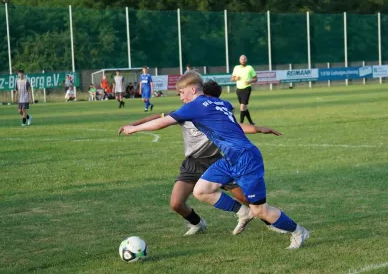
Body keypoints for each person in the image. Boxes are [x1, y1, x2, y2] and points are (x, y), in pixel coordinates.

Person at [122, 71, 309, 249]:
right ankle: (244, 213)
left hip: (246, 159)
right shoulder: (221, 104)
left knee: (261, 210)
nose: (181, 98)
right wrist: (259, 128)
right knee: (201, 191)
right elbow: (230, 121)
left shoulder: (195, 106)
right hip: (229, 158)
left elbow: (162, 122)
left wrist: (134, 128)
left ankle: (299, 231)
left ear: (193, 90)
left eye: (182, 93)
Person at [231, 55, 257, 125]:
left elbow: (255, 79)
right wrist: (235, 79)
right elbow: (232, 79)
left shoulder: (249, 68)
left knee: (242, 106)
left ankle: (241, 123)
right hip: (239, 89)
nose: (243, 60)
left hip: (246, 89)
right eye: (242, 59)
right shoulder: (236, 68)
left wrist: (249, 81)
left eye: (244, 59)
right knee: (244, 107)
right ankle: (251, 122)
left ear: (246, 60)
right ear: (239, 60)